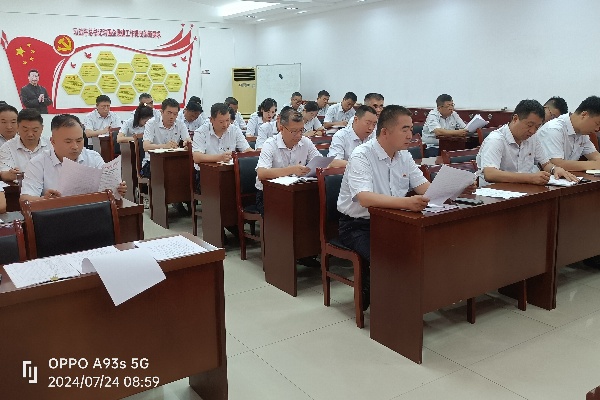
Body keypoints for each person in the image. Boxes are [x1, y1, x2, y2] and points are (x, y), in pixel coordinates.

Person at [337, 105, 431, 310]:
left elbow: (424, 187)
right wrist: (407, 203)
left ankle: (413, 300)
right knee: (388, 257)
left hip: (394, 221)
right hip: (358, 226)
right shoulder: (362, 155)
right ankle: (379, 299)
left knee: (425, 249)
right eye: (404, 129)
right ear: (385, 132)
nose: (411, 135)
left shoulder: (404, 155)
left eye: (411, 129)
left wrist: (452, 188)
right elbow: (364, 198)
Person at [20, 114, 126, 202]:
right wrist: (45, 200)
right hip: (57, 215)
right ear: (53, 142)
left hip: (91, 212)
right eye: (68, 142)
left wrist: (118, 189)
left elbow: (108, 189)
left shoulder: (93, 158)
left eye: (79, 140)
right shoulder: (38, 163)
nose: (75, 146)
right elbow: (25, 198)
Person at [476, 99, 577, 187]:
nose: (532, 131)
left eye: (537, 127)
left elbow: (545, 164)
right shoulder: (496, 140)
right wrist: (530, 178)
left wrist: (555, 169)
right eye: (529, 125)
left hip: (522, 190)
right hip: (495, 193)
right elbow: (490, 174)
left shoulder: (533, 138)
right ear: (515, 119)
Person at [255, 109, 322, 216]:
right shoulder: (270, 144)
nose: (299, 135)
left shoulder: (305, 142)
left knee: (314, 208)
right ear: (281, 128)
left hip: (297, 191)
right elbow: (261, 173)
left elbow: (320, 162)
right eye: (294, 131)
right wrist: (292, 170)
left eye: (301, 130)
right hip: (269, 194)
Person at [536, 96, 600, 171]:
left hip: (568, 177)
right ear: (584, 115)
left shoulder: (583, 133)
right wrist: (594, 164)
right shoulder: (553, 129)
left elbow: (596, 156)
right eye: (597, 124)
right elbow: (556, 164)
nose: (597, 129)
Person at [141, 98, 191, 178]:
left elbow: (187, 140)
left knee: (187, 172)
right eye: (169, 113)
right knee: (167, 173)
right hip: (152, 162)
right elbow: (146, 146)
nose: (172, 117)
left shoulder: (180, 124)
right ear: (161, 112)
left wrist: (187, 144)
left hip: (173, 161)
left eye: (175, 114)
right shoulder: (151, 123)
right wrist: (165, 146)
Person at [0, 109, 49, 182]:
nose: (30, 134)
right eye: (25, 130)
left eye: (35, 130)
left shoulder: (51, 145)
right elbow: (3, 172)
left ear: (42, 128)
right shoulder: (7, 147)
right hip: (20, 187)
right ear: (17, 127)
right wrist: (10, 174)